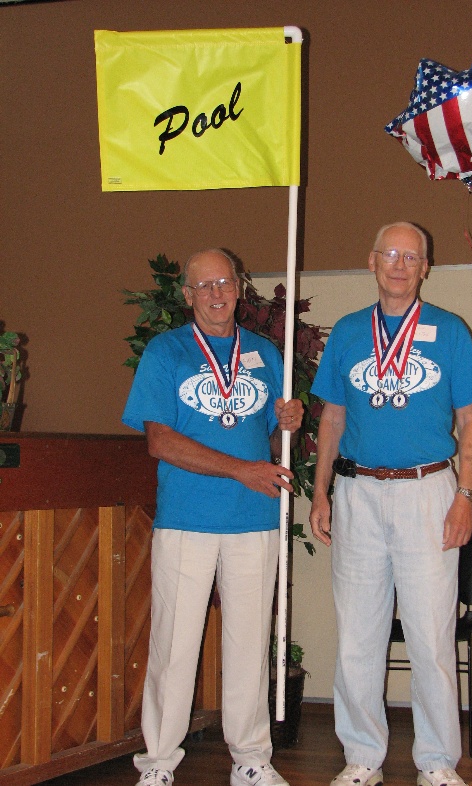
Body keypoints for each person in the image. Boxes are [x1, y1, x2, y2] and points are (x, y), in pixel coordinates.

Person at [309, 222, 472, 786]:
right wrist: (320, 491)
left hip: (429, 492)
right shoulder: (348, 333)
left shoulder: (451, 330)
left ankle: (436, 762)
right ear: (371, 261)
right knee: (358, 635)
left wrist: (465, 496)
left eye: (412, 256)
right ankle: (362, 757)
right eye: (391, 253)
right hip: (357, 492)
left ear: (426, 267)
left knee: (432, 637)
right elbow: (331, 417)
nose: (400, 264)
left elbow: (471, 419)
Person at [123, 248, 303, 786]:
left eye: (225, 282)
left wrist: (286, 425)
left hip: (254, 519)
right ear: (188, 296)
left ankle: (250, 759)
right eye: (205, 286)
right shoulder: (166, 351)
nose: (217, 293)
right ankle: (157, 765)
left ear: (240, 286)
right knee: (175, 647)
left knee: (251, 646)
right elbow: (159, 441)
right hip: (187, 521)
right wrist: (240, 470)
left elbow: (266, 441)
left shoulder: (268, 353)